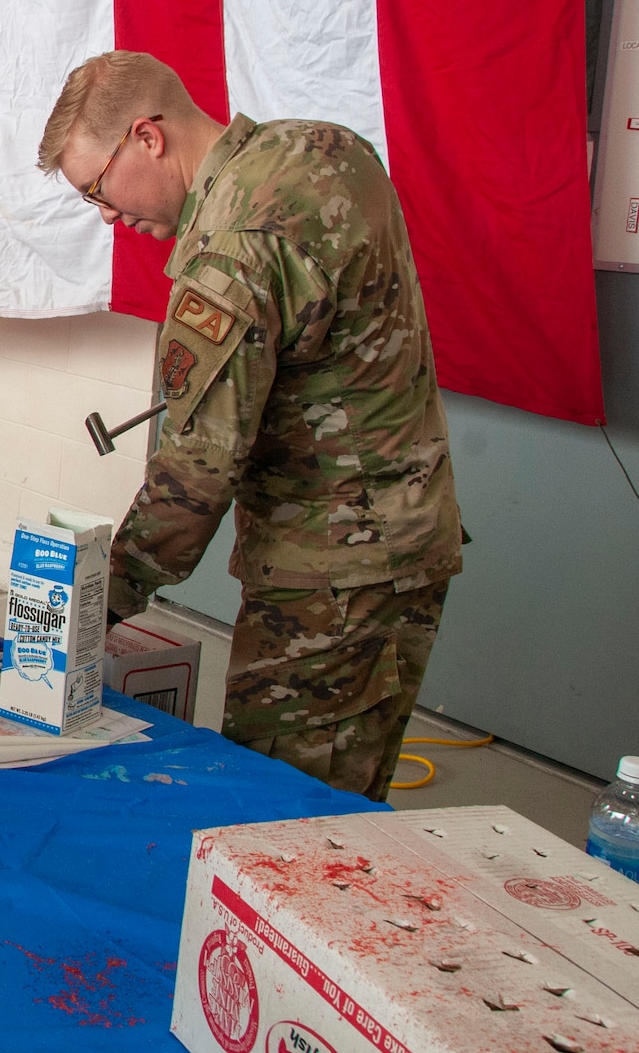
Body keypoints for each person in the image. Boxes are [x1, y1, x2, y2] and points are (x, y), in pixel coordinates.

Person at [37, 50, 463, 802]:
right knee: (348, 797)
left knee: (279, 818)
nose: (106, 214)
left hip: (328, 577)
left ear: (148, 136)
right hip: (406, 542)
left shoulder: (231, 246)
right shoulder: (322, 146)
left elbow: (197, 469)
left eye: (97, 189)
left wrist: (95, 603)